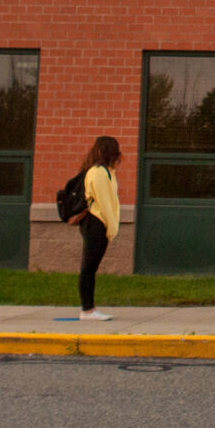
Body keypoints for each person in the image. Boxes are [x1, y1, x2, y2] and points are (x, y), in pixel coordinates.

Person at [74, 135, 123, 321]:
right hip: (96, 223)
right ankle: (87, 310)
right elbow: (105, 204)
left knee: (91, 267)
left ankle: (89, 309)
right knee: (88, 267)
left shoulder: (107, 172)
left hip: (100, 223)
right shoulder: (98, 173)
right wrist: (111, 228)